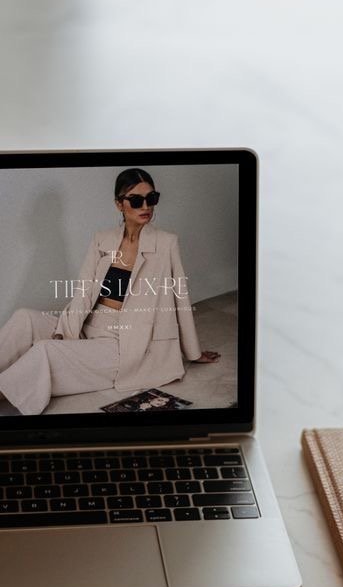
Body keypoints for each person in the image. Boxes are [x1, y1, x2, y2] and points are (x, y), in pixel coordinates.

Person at [0, 168, 220, 415]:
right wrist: (66, 333)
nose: (146, 206)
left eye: (151, 198)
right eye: (136, 200)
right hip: (89, 325)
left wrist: (193, 352)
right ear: (119, 204)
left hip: (124, 342)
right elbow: (84, 292)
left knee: (45, 351)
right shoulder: (102, 239)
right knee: (24, 318)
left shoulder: (166, 243)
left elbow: (181, 299)